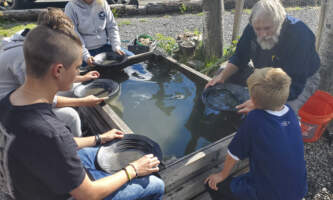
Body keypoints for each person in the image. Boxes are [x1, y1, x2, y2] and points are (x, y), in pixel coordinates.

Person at [0, 23, 164, 200]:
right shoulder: (51, 132)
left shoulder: (10, 101)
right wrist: (133, 170)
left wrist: (99, 139)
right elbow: (89, 194)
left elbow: (51, 146)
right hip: (63, 195)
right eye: (77, 68)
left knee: (101, 149)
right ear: (58, 70)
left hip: (32, 180)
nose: (79, 73)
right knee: (156, 185)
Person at [205, 67, 307, 200]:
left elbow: (233, 154)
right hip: (299, 189)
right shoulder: (290, 112)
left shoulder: (255, 119)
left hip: (269, 195)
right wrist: (258, 105)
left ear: (252, 98)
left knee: (212, 184)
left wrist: (222, 175)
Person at [0, 8, 105, 137]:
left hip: (22, 98)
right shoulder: (25, 56)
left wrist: (82, 78)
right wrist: (83, 101)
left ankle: (69, 131)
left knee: (75, 88)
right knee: (71, 116)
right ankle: (77, 150)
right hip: (10, 112)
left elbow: (52, 77)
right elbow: (40, 98)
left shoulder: (34, 40)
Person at [206, 0, 320, 114]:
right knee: (221, 74)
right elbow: (240, 56)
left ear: (279, 22)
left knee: (278, 113)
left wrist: (260, 103)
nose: (263, 34)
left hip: (298, 79)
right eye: (258, 29)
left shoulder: (300, 35)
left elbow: (295, 85)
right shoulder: (252, 27)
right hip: (265, 71)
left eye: (267, 28)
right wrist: (222, 76)